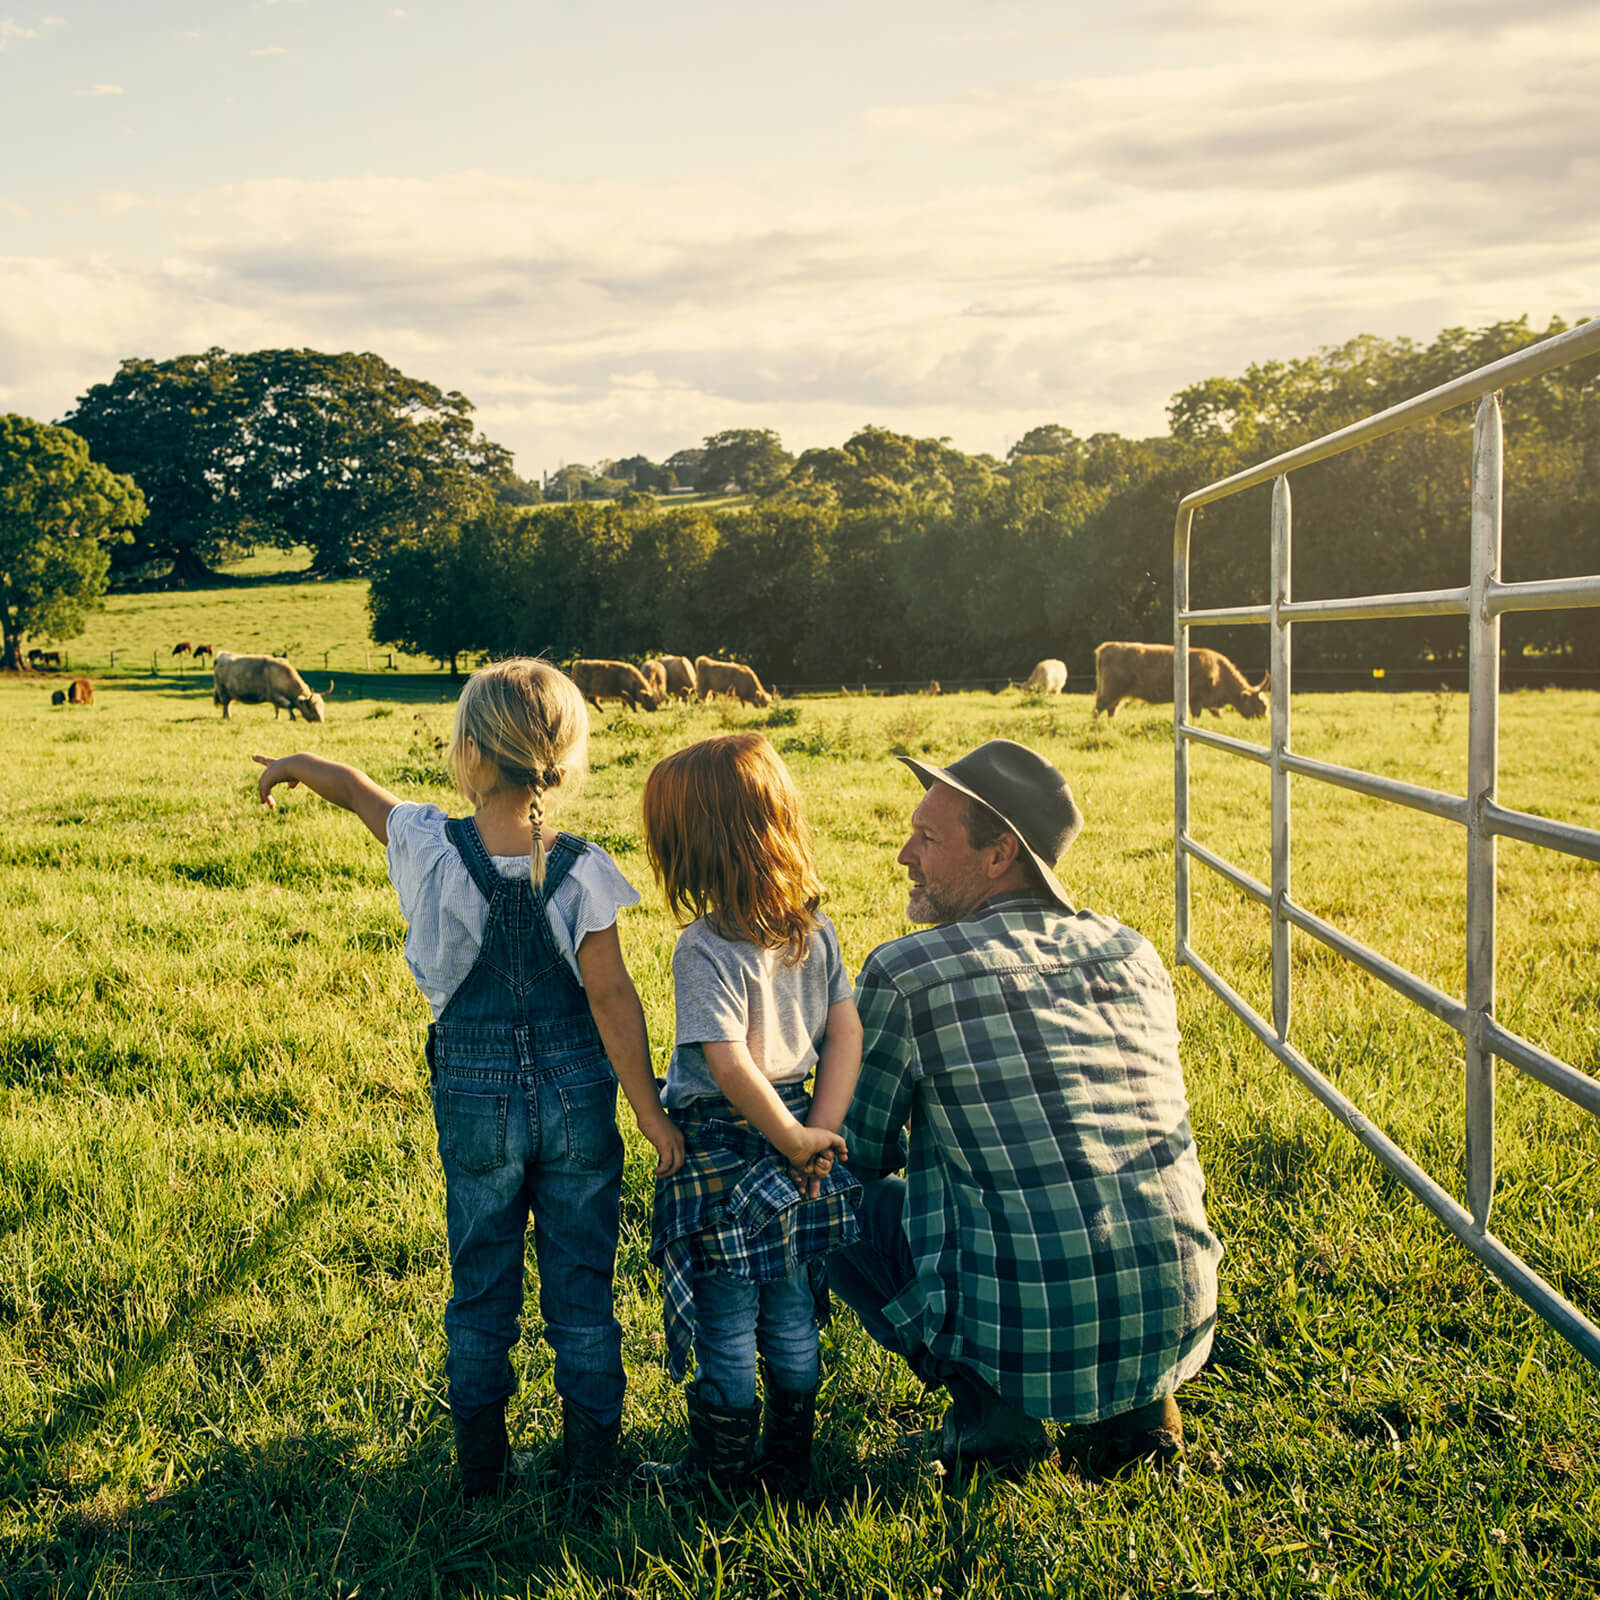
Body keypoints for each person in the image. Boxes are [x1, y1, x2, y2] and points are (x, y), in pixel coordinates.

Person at [253, 658, 683, 1498]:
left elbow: (355, 791)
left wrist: (294, 767)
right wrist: (651, 1113)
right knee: (582, 1289)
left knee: (481, 1281)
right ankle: (593, 1468)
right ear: (563, 754)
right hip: (577, 1096)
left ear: (470, 751)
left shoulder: (426, 842)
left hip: (474, 1095)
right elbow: (611, 995)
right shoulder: (584, 866)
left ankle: (482, 1469)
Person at [832, 738, 1222, 1473]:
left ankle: (993, 1414)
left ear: (999, 854)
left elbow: (857, 1148)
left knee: (817, 1188)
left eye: (926, 837)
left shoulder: (910, 971)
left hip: (1028, 1332)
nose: (903, 855)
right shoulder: (1131, 952)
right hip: (1177, 1315)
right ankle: (1141, 1414)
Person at [635, 733, 863, 1498]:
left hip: (727, 1150)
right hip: (799, 1134)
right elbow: (845, 1034)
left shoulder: (702, 948)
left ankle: (721, 1470)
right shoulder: (815, 927)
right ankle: (790, 1463)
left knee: (727, 1316)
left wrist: (795, 1138)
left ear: (692, 848)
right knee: (793, 1307)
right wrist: (814, 1135)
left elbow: (729, 1066)